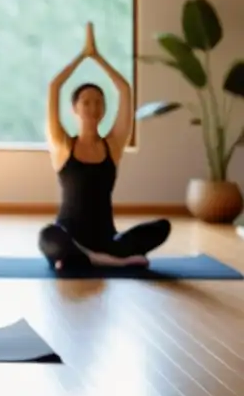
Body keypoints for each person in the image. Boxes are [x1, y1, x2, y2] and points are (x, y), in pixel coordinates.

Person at [39, 22, 171, 270]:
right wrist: (82, 55)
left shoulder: (113, 144)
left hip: (106, 240)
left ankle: (89, 258)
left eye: (99, 102)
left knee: (163, 226)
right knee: (48, 236)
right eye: (86, 102)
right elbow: (54, 87)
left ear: (105, 109)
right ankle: (102, 260)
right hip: (68, 238)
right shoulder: (63, 146)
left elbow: (124, 89)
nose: (93, 107)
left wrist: (98, 57)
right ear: (74, 109)